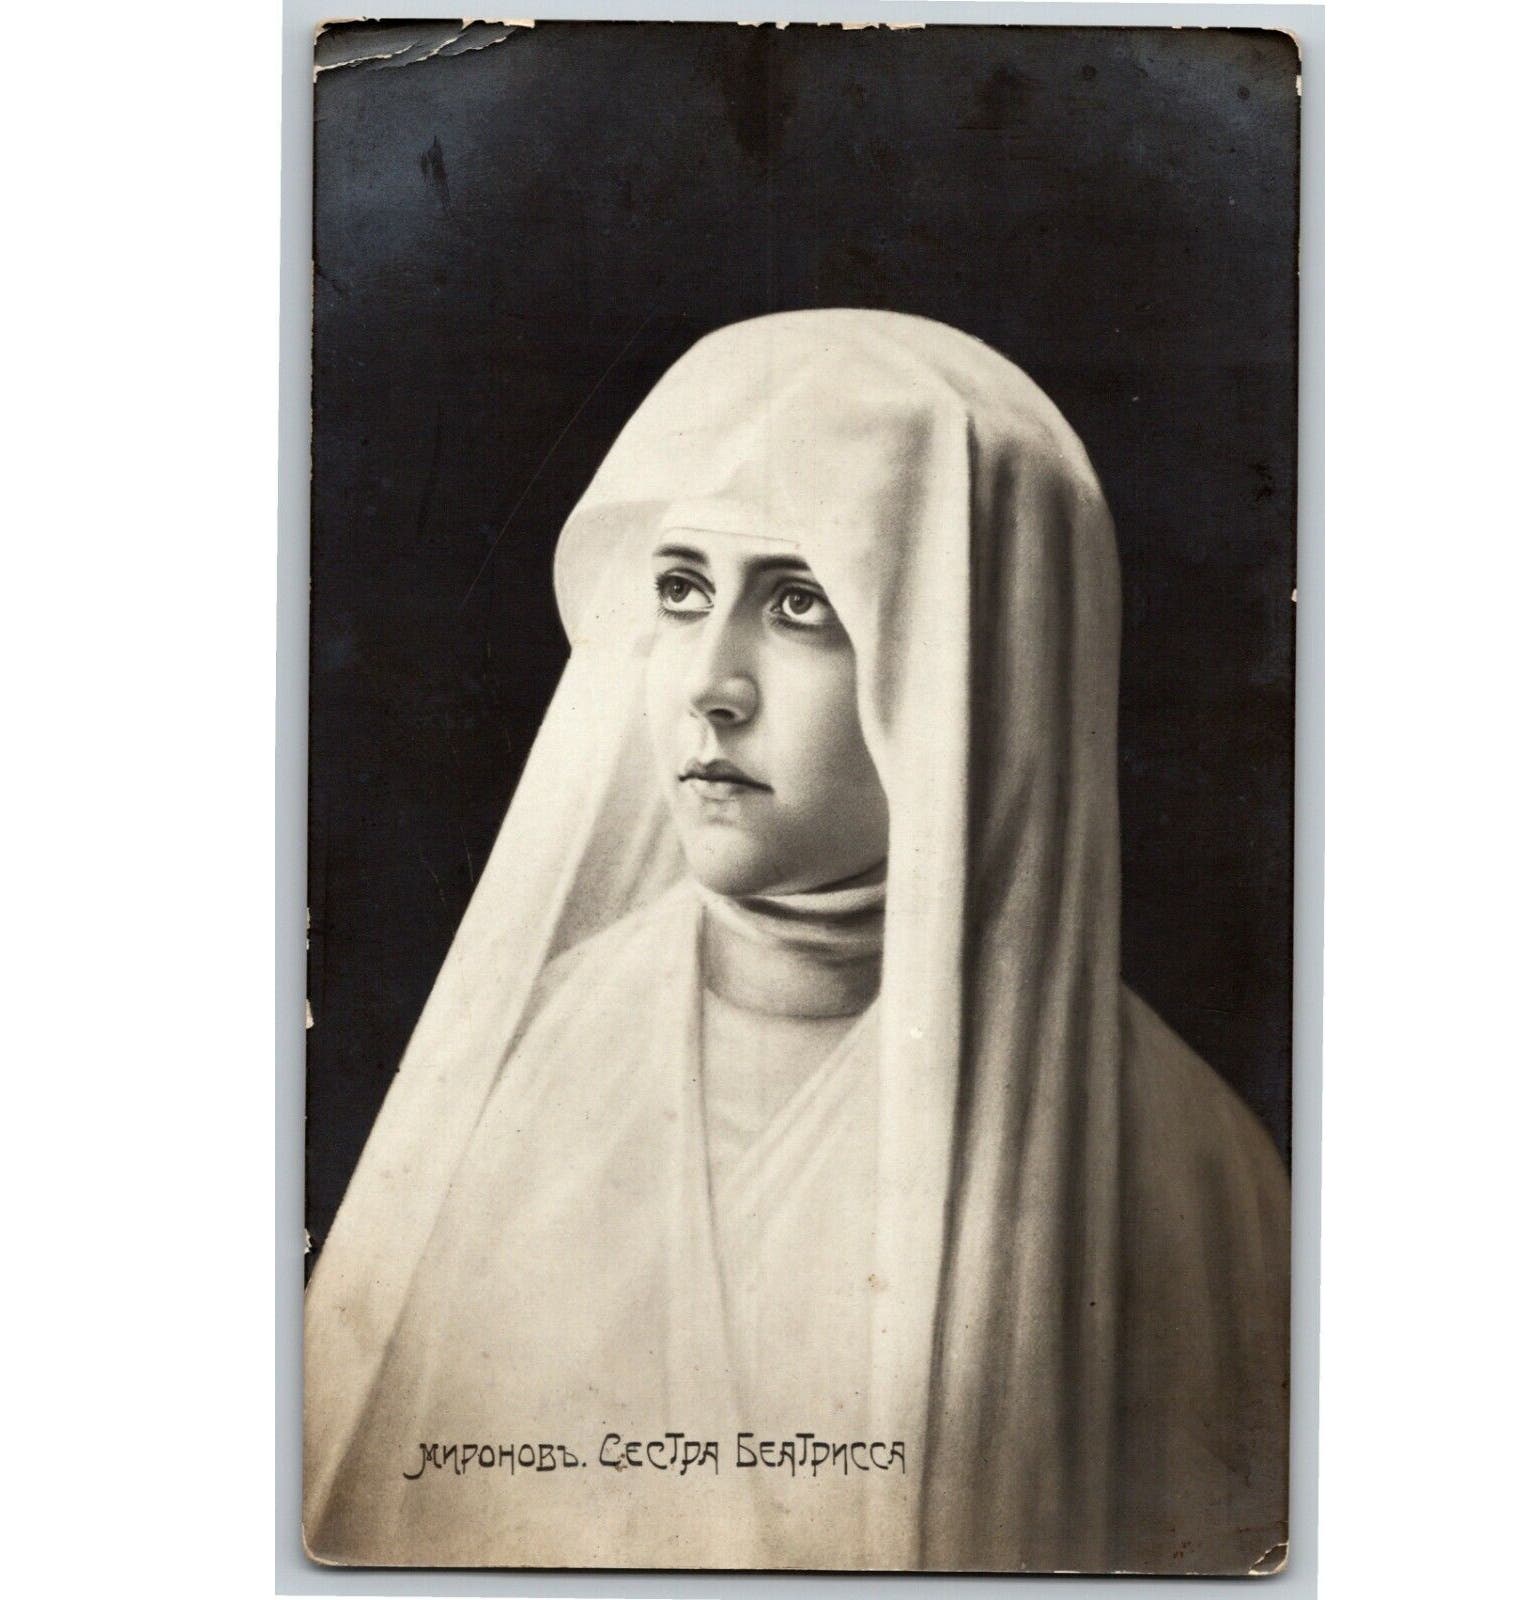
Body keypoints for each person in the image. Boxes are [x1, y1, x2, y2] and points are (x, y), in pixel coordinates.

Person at [303, 308, 1290, 1574]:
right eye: (679, 591)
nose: (710, 682)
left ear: (977, 660)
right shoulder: (517, 1061)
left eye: (801, 602)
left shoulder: (1185, 1168)